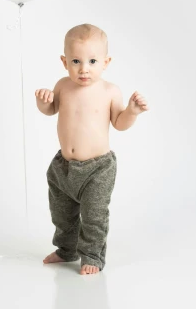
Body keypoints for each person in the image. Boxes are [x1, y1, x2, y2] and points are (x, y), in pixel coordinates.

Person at [36, 24, 149, 275]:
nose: (84, 68)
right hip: (62, 167)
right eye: (76, 61)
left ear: (106, 62)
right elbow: (50, 110)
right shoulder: (63, 85)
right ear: (64, 61)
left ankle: (92, 255)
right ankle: (66, 249)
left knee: (94, 216)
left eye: (92, 61)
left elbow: (119, 124)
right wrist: (42, 102)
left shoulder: (109, 91)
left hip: (97, 169)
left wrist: (131, 111)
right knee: (62, 214)